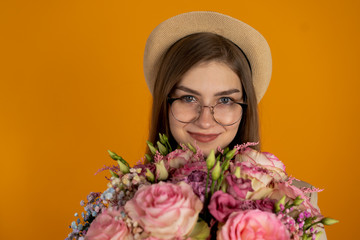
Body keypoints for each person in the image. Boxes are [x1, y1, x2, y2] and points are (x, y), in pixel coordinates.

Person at [143, 11, 326, 239]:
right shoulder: (131, 205)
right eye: (188, 98)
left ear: (244, 107)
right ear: (165, 103)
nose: (205, 121)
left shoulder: (296, 205)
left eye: (225, 100)